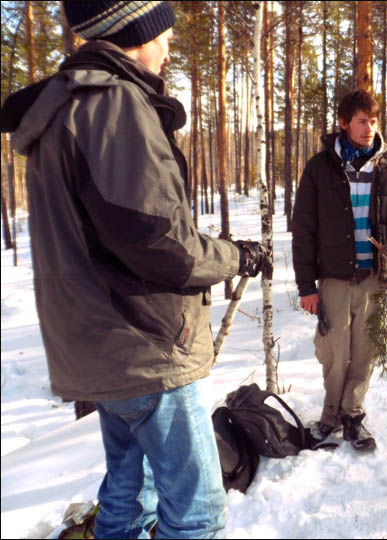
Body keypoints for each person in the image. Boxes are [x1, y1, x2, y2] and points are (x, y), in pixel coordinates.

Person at [0, 2, 269, 537]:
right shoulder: (113, 106)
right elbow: (159, 242)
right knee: (197, 512)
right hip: (142, 344)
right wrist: (234, 256)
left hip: (103, 342)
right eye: (164, 31)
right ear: (135, 29)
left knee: (129, 488)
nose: (170, 44)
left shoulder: (66, 105)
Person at [291, 90, 387, 452]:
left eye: (374, 121)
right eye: (361, 121)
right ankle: (329, 416)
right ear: (344, 123)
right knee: (332, 349)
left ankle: (353, 416)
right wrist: (305, 286)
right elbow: (304, 229)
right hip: (334, 278)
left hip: (375, 279)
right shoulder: (320, 167)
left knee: (365, 351)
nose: (369, 128)